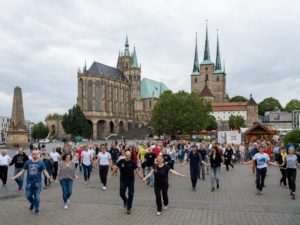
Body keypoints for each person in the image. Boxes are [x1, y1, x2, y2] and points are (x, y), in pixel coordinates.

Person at [10, 150, 53, 215]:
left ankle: (37, 208)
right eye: (33, 154)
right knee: (28, 195)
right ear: (31, 155)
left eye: (36, 154)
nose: (35, 155)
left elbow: (45, 171)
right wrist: (14, 177)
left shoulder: (41, 163)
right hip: (29, 182)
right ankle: (33, 203)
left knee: (37, 197)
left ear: (38, 154)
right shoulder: (27, 162)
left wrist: (49, 178)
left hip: (38, 182)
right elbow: (22, 171)